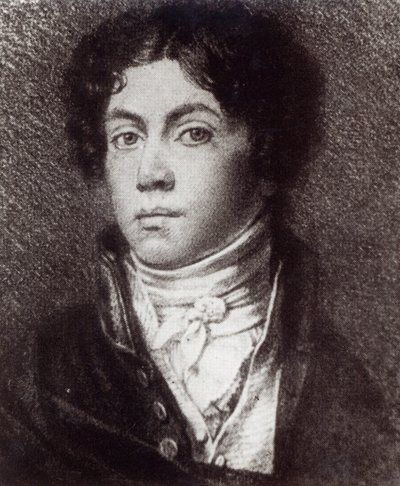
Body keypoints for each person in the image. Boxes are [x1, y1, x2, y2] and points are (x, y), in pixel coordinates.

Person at [0, 1, 398, 484]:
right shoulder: (44, 366)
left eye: (192, 133)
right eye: (127, 137)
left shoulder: (345, 375)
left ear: (266, 156)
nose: (150, 174)